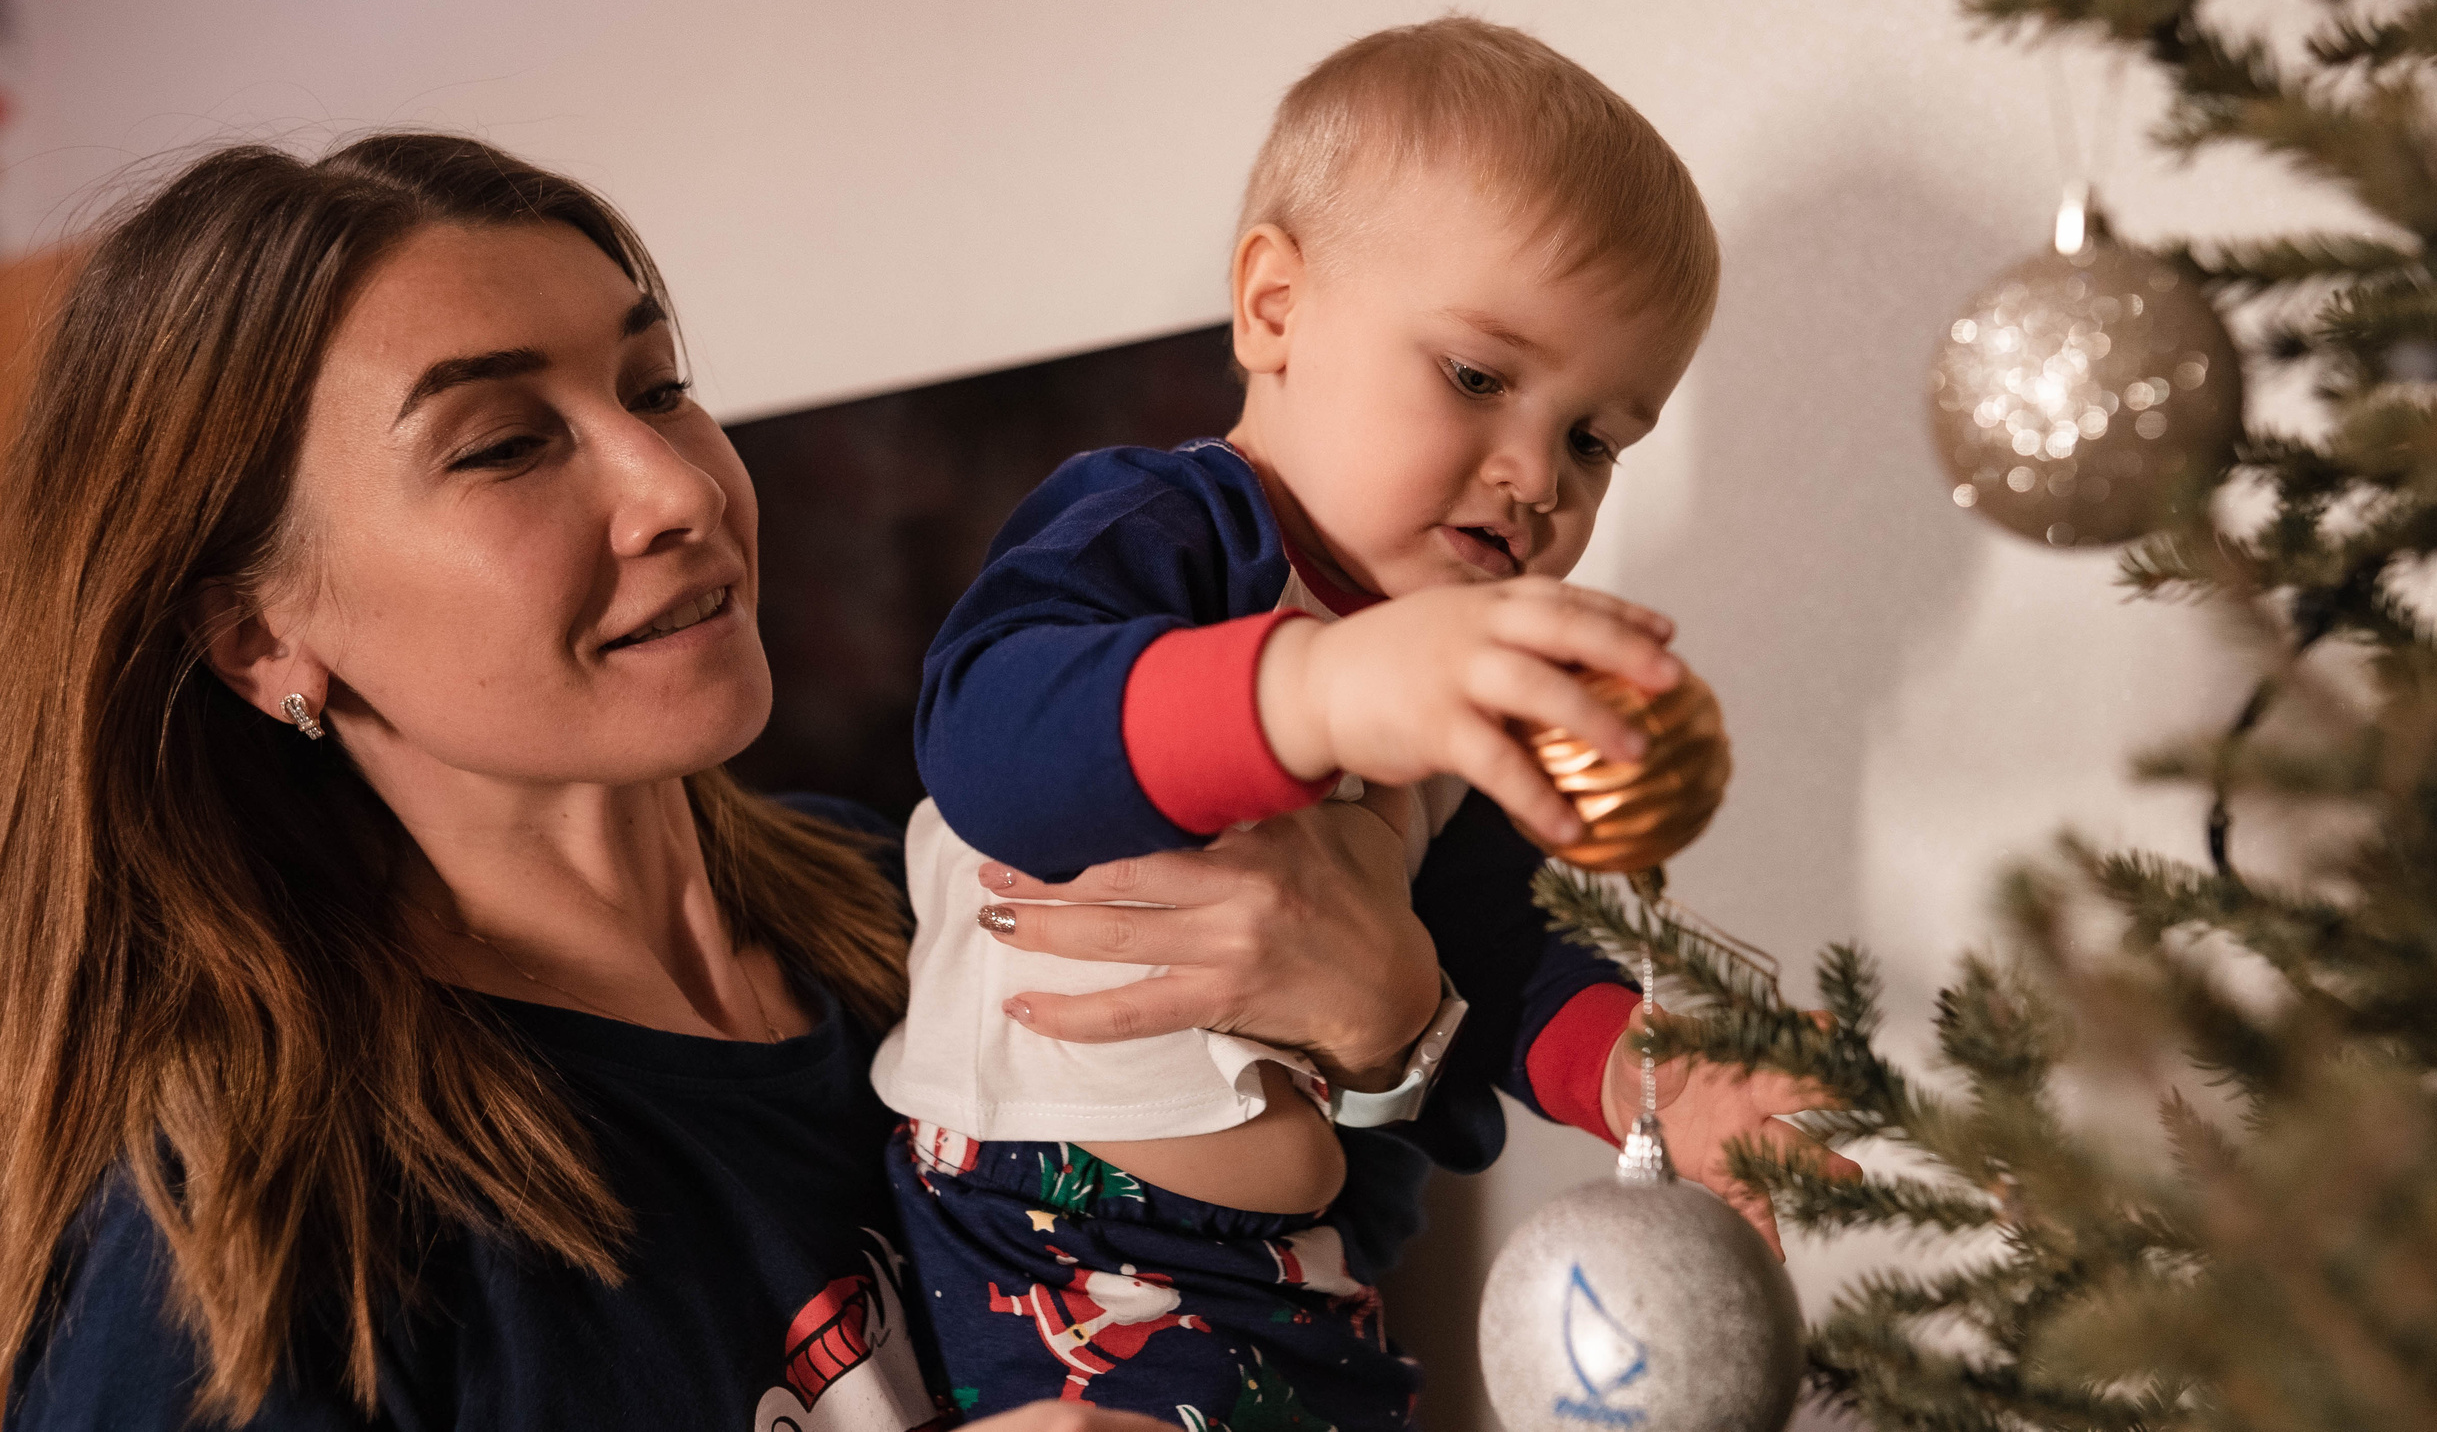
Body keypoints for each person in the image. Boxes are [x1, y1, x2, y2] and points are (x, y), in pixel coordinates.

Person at [0, 133, 1462, 1431]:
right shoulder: (246, 1218)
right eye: (505, 444)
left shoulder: (914, 893)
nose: (685, 486)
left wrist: (1385, 1027)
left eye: (660, 385)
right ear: (264, 637)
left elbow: (1307, 1265)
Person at [876, 18, 1854, 1425]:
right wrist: (1324, 688)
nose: (1534, 476)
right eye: (1477, 375)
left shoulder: (1447, 669)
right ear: (1274, 306)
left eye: (1594, 439)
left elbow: (1492, 945)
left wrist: (1645, 1071)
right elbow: (991, 740)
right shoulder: (1171, 528)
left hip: (1300, 1278)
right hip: (1061, 1251)